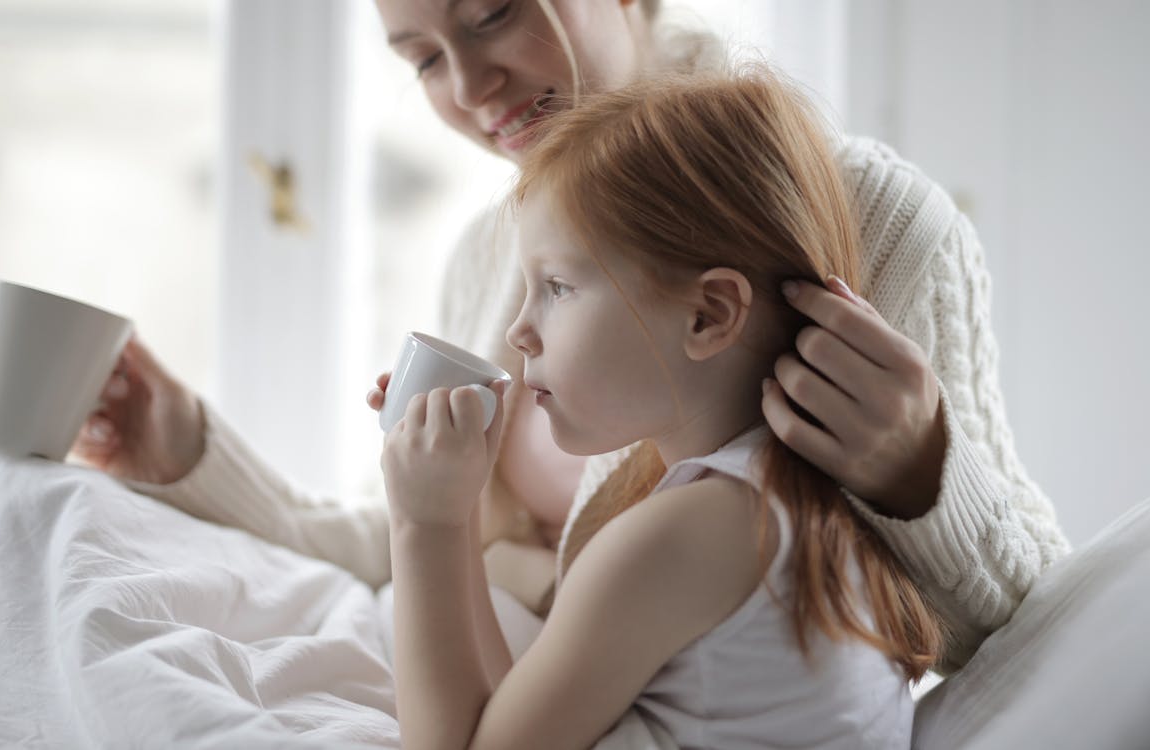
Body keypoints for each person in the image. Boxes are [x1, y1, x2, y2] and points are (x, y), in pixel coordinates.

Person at [72, 0, 1067, 673]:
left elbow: (1029, 633)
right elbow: (418, 545)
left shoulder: (866, 218)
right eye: (420, 58)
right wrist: (190, 450)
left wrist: (919, 474)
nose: (466, 85)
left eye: (496, 10)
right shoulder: (492, 251)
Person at [384, 67, 942, 749]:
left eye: (557, 287)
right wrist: (462, 504)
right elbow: (515, 722)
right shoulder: (787, 501)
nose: (517, 332)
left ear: (709, 316)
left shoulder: (683, 536)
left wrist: (424, 524)